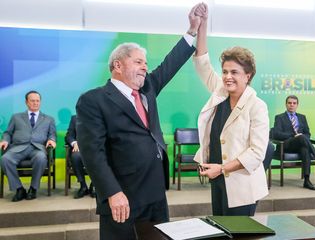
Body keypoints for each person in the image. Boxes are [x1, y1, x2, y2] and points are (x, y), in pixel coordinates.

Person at [75, 3, 206, 239]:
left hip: (155, 192)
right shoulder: (93, 100)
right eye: (138, 62)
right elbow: (92, 153)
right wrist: (112, 193)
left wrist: (192, 29)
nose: (145, 67)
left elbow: (170, 64)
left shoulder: (147, 88)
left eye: (145, 62)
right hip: (122, 196)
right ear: (117, 65)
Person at [193, 5, 270, 216]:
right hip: (218, 180)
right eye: (225, 71)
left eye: (234, 72)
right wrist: (202, 24)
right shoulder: (220, 92)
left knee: (239, 234)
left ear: (248, 75)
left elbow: (256, 153)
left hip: (242, 185)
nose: (228, 76)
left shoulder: (257, 106)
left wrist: (223, 168)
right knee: (221, 229)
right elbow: (202, 63)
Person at [0, 90, 56, 201]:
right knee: (5, 159)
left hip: (37, 148)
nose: (35, 103)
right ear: (26, 102)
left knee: (41, 158)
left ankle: (33, 188)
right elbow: (7, 133)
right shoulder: (16, 117)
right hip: (18, 148)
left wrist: (52, 140)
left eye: (37, 101)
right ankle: (19, 189)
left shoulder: (49, 119)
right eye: (32, 101)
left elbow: (52, 134)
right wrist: (5, 140)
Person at [272, 95, 315, 190]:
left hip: (300, 144)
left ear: (297, 105)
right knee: (301, 137)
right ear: (286, 104)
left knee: (305, 148)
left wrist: (301, 137)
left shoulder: (302, 117)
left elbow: (307, 133)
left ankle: (307, 180)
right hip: (286, 145)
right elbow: (276, 134)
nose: (292, 105)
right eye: (289, 103)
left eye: (294, 103)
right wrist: (294, 135)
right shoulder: (279, 117)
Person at [65, 115, 96, 199]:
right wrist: (74, 143)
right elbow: (69, 136)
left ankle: (94, 185)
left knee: (98, 157)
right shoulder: (75, 118)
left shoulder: (99, 117)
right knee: (75, 157)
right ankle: (83, 186)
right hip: (80, 148)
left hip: (96, 148)